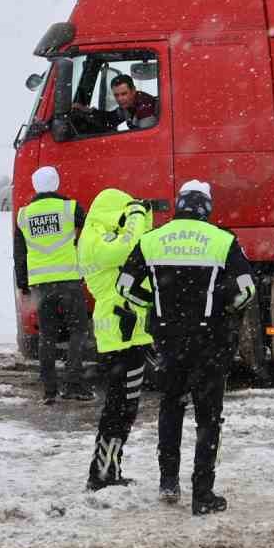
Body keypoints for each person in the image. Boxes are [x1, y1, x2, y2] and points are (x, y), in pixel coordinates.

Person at [116, 180, 256, 515]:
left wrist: (153, 307)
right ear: (207, 207)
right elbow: (247, 291)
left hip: (168, 342)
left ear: (179, 205)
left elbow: (125, 287)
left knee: (171, 406)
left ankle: (168, 481)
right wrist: (225, 310)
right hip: (211, 343)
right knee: (208, 418)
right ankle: (202, 494)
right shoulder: (222, 241)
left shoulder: (150, 241)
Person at [77, 188, 154, 490]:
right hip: (120, 336)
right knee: (119, 408)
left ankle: (109, 469)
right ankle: (102, 474)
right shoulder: (95, 238)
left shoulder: (98, 236)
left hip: (127, 334)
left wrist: (141, 216)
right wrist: (136, 214)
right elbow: (130, 246)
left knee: (124, 407)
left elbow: (140, 246)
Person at [14, 165, 92, 404]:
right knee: (78, 330)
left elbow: (20, 253)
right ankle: (73, 384)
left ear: (36, 186)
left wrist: (23, 284)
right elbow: (89, 234)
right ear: (56, 183)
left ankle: (49, 389)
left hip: (40, 284)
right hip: (68, 280)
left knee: (47, 335)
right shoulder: (70, 208)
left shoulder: (24, 215)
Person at [73, 74, 158, 133]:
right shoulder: (128, 105)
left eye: (124, 94)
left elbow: (143, 138)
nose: (120, 99)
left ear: (133, 90)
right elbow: (111, 119)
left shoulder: (145, 107)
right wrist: (88, 111)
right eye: (116, 95)